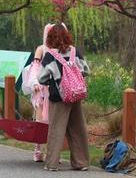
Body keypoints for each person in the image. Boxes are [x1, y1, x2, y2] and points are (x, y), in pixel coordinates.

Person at [38, 23, 90, 172]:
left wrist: (54, 81)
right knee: (78, 129)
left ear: (50, 38)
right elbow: (86, 70)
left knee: (56, 130)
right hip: (75, 95)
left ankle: (52, 164)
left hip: (58, 98)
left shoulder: (50, 56)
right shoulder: (75, 52)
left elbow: (41, 78)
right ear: (67, 35)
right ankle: (81, 162)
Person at [24, 23, 57, 161]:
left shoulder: (61, 50)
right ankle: (38, 150)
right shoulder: (41, 49)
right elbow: (35, 67)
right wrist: (35, 83)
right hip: (41, 90)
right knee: (40, 121)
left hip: (55, 90)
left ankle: (52, 152)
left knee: (54, 122)